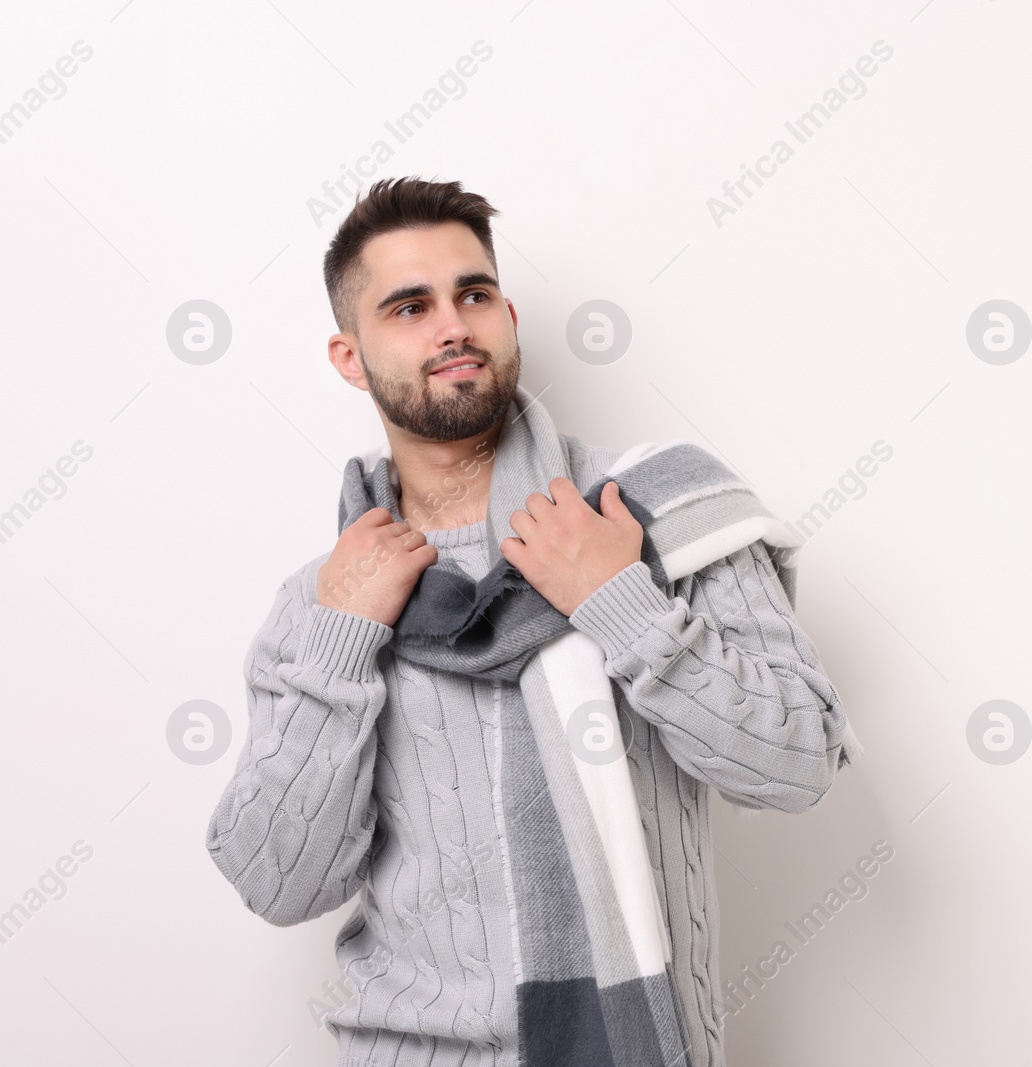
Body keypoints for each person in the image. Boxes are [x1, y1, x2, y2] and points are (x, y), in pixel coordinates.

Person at [205, 176, 860, 1067]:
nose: (453, 327)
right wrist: (342, 639)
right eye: (409, 306)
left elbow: (795, 765)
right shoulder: (326, 598)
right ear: (349, 357)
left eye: (474, 294)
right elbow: (277, 883)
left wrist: (617, 601)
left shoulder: (651, 512)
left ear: (508, 315)